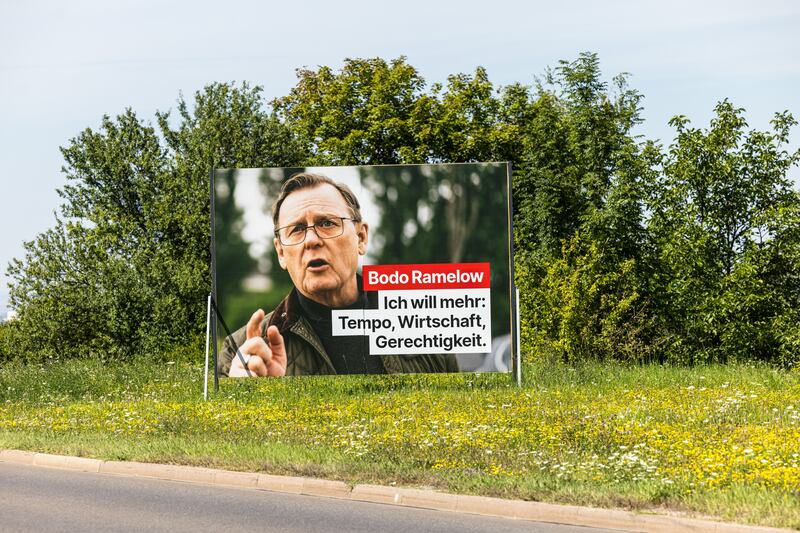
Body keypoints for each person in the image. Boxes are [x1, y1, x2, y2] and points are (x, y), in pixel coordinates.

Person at [219, 172, 459, 377]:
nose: (311, 240)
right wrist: (244, 399)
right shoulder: (240, 352)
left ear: (361, 238)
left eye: (326, 223)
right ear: (281, 252)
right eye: (297, 229)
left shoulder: (424, 326)